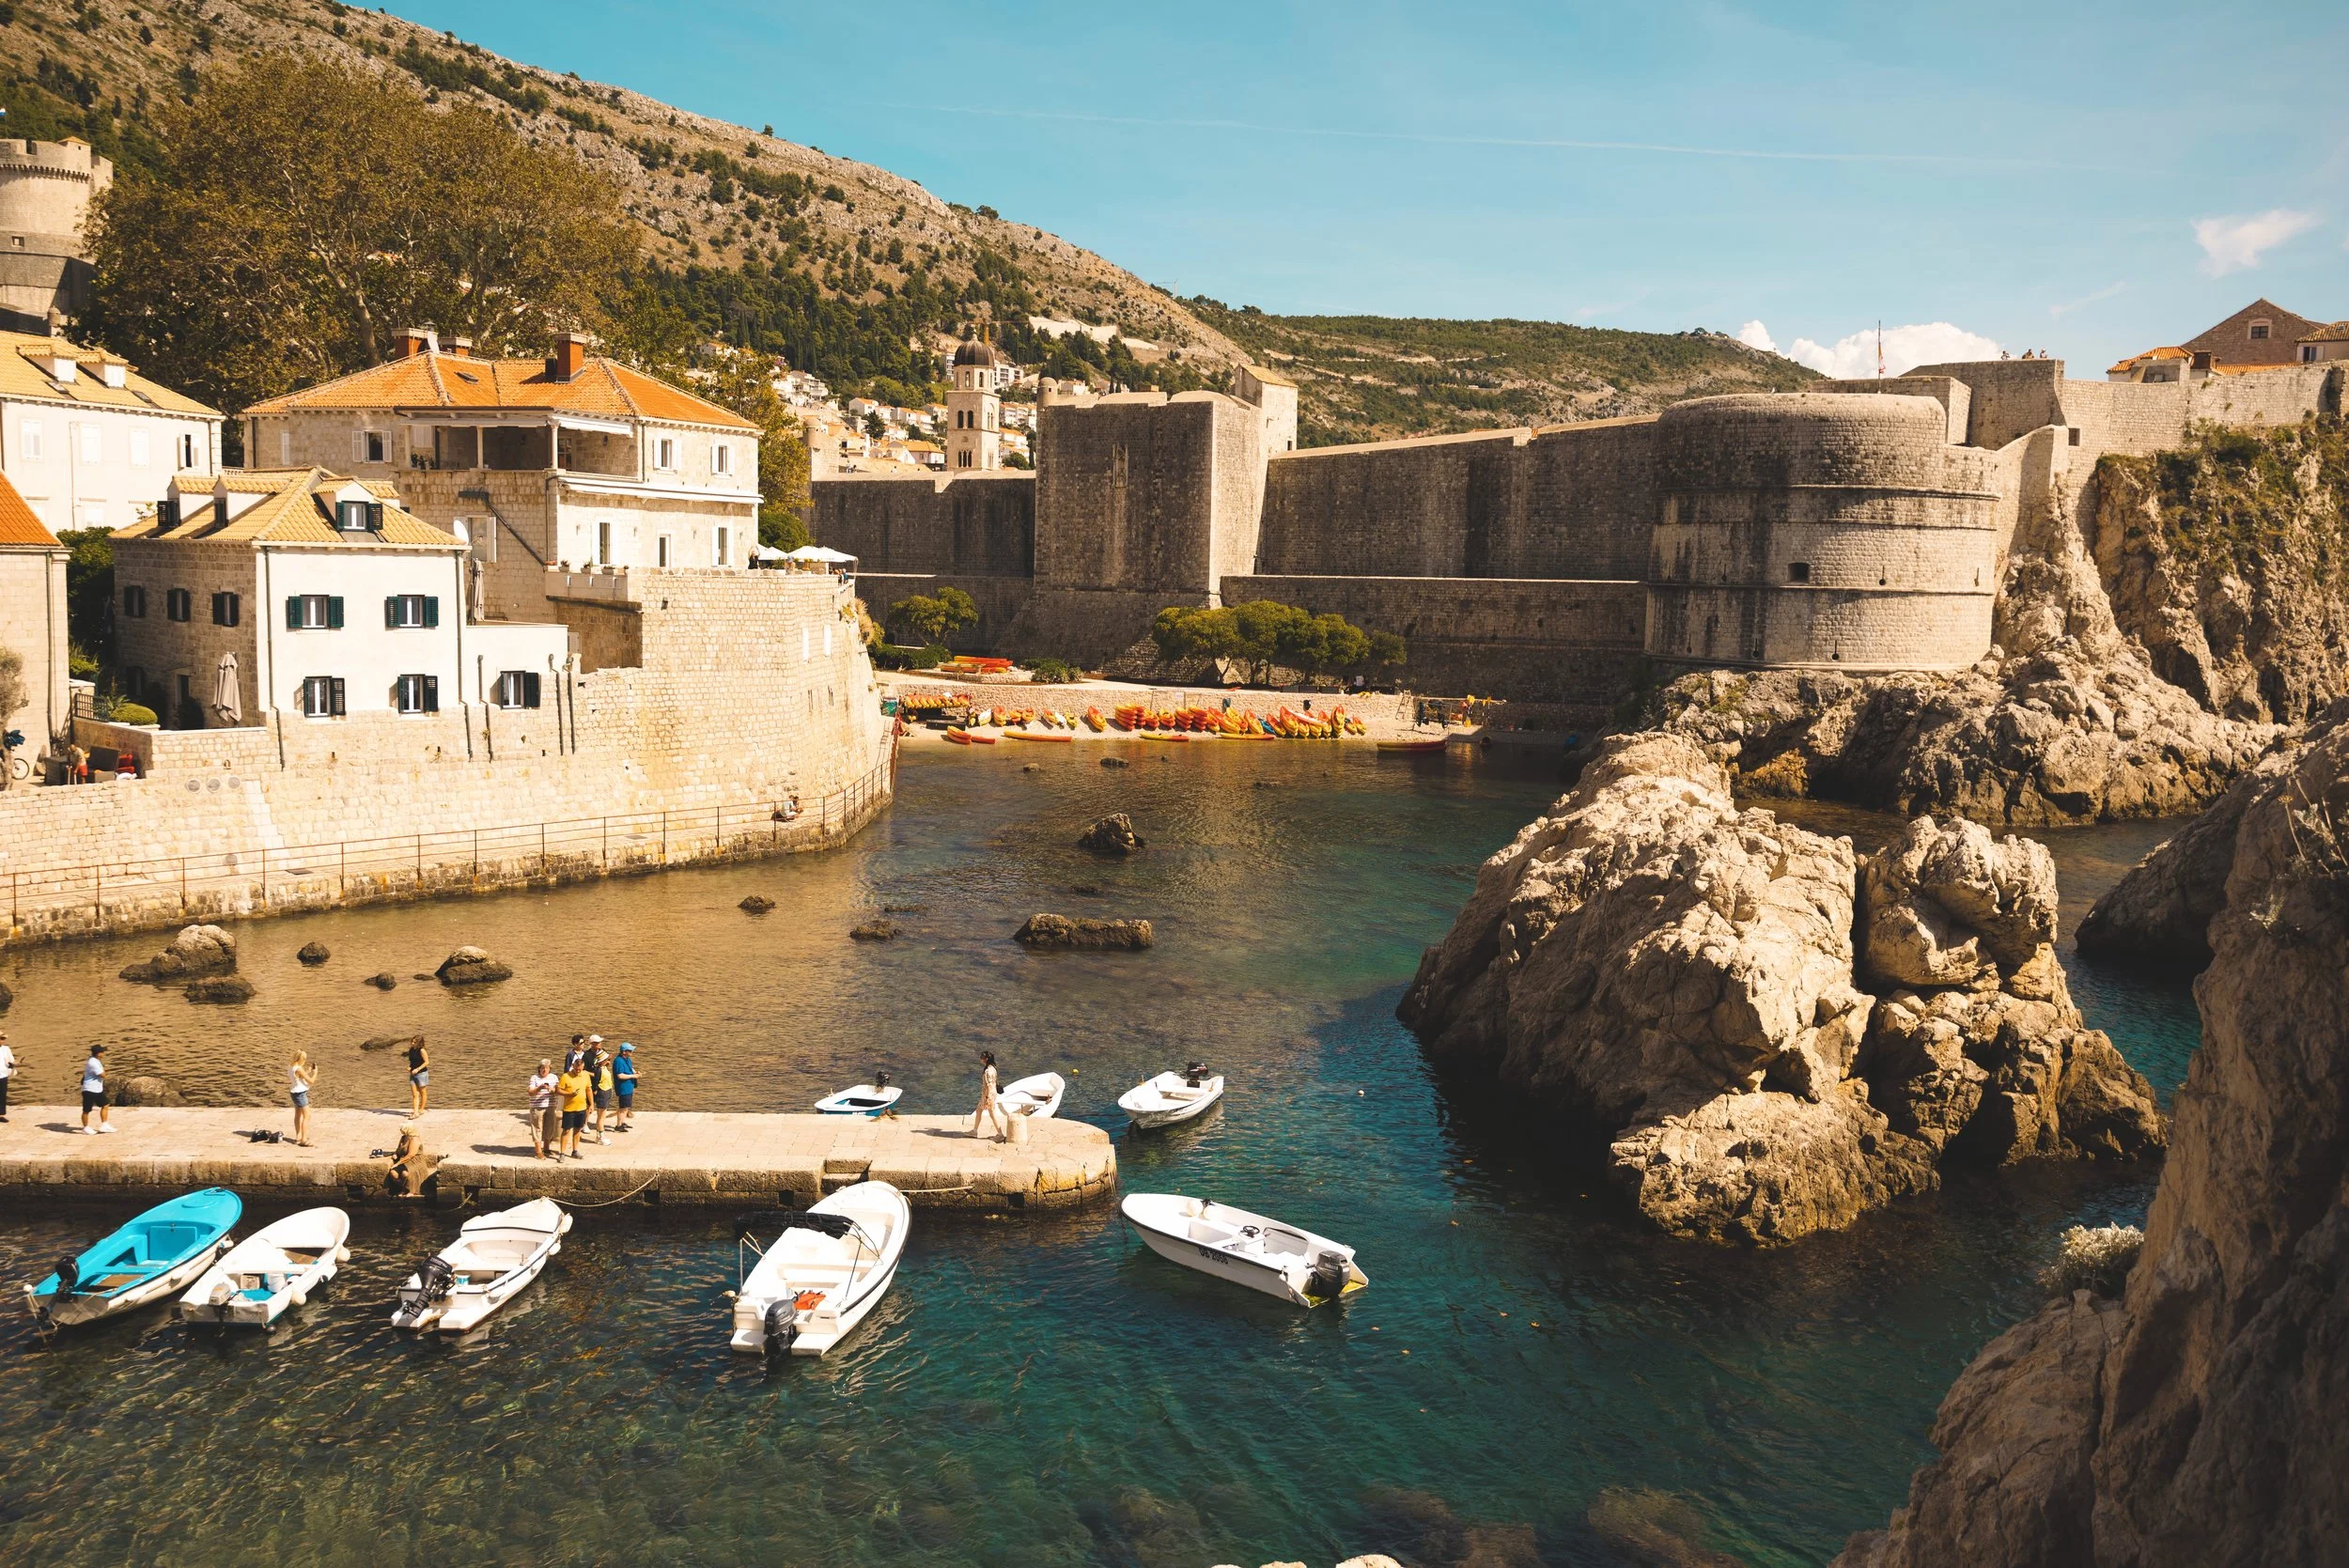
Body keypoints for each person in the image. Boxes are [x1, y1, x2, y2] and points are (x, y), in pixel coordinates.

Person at [556, 1055, 591, 1159]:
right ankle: (562, 1153)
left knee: (577, 1130)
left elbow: (588, 1090)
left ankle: (575, 1151)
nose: (578, 1071)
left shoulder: (585, 1075)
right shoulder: (565, 1076)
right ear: (573, 1066)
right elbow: (558, 1090)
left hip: (581, 1108)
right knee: (566, 1130)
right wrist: (569, 1094)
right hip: (569, 1109)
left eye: (580, 1070)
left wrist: (592, 1104)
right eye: (576, 1069)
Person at [972, 1049, 1007, 1142]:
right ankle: (974, 1131)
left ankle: (1000, 1134)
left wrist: (987, 1098)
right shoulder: (993, 1068)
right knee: (978, 1110)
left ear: (986, 1059)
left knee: (992, 1114)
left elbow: (989, 1085)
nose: (981, 1060)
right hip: (991, 1094)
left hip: (988, 1095)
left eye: (982, 1058)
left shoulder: (988, 1071)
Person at [527, 1059, 559, 1160]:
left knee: (549, 1128)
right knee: (537, 1128)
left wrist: (552, 1089)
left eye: (546, 1068)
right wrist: (539, 1088)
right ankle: (538, 1152)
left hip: (550, 1106)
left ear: (550, 1069)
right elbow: (530, 1092)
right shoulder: (534, 1078)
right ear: (539, 1069)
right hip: (537, 1107)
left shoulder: (554, 1078)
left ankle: (546, 1148)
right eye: (542, 1068)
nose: (544, 1070)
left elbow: (558, 1091)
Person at [81, 1043, 115, 1134]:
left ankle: (104, 1125)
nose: (103, 1053)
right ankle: (85, 1127)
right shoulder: (93, 1063)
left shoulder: (96, 1061)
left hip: (97, 1089)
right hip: (89, 1090)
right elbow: (102, 1075)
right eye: (102, 1052)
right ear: (98, 1053)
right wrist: (105, 1070)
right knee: (86, 1110)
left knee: (105, 1104)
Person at [588, 1039, 615, 1144]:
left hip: (607, 1091)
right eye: (606, 1059)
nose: (608, 1060)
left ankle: (600, 1135)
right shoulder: (599, 1070)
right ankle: (600, 1136)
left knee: (602, 1115)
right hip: (602, 1092)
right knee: (601, 1116)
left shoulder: (603, 1068)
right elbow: (595, 1082)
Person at [288, 1050, 316, 1146]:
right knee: (307, 1116)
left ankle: (298, 1137)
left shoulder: (292, 1067)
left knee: (298, 1115)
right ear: (301, 1059)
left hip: (294, 1092)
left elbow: (298, 1077)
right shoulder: (299, 1069)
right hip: (300, 1094)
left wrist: (307, 1071)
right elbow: (311, 1081)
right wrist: (315, 1073)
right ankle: (304, 1139)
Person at [612, 1042, 638, 1131]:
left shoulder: (627, 1059)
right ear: (624, 1052)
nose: (631, 1052)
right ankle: (618, 1126)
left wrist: (635, 1073)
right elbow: (620, 1075)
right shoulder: (618, 1061)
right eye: (629, 1050)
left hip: (629, 1087)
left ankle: (623, 1122)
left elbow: (631, 1069)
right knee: (623, 1107)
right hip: (623, 1088)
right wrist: (633, 1076)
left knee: (627, 1106)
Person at [405, 1037, 430, 1119]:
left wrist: (418, 1069)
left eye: (414, 1042)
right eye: (412, 1042)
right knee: (415, 1094)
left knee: (423, 1092)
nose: (412, 1043)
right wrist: (409, 1067)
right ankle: (415, 1112)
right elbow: (412, 1062)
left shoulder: (422, 1050)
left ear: (419, 1043)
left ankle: (421, 1109)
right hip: (412, 1074)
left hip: (422, 1074)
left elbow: (427, 1062)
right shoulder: (411, 1050)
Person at [0, 1030, 15, 1123]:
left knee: (2, 1095)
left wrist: (14, 1064)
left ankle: (0, 1115)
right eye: (1, 1038)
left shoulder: (6, 1049)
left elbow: (11, 1060)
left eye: (3, 1038)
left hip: (3, 1075)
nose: (2, 1040)